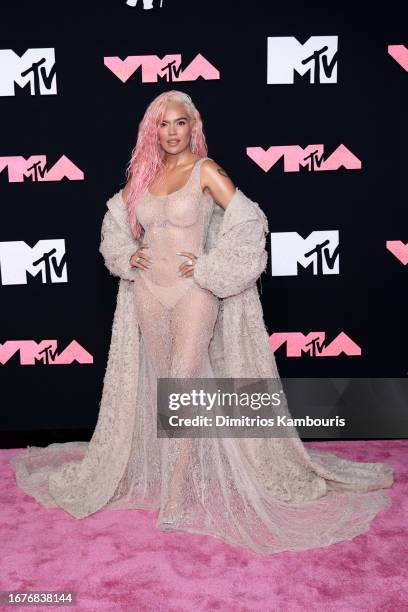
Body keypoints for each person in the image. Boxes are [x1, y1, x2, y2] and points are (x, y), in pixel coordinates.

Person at [10, 90, 394, 555]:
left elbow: (251, 222)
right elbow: (114, 223)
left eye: (180, 123)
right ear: (155, 130)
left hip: (194, 292)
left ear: (195, 126)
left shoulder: (206, 172)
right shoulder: (145, 176)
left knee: (183, 385)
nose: (172, 132)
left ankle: (174, 493)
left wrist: (211, 266)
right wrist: (130, 254)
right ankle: (173, 473)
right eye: (164, 124)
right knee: (163, 385)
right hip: (149, 290)